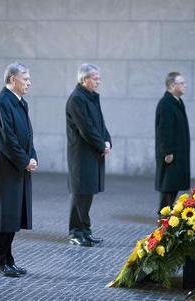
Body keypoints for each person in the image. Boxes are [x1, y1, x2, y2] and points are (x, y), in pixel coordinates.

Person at [0, 62, 38, 278]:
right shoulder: (2, 102)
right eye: (25, 78)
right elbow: (6, 139)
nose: (29, 82)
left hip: (17, 167)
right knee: (4, 217)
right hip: (4, 170)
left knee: (12, 216)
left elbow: (28, 135)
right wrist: (25, 160)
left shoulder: (20, 103)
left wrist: (32, 156)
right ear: (12, 79)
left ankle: (8, 259)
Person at [66, 63, 112, 247]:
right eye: (95, 78)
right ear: (84, 79)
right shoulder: (76, 99)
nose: (98, 82)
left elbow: (100, 124)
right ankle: (76, 232)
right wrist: (101, 145)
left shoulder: (90, 97)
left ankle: (85, 230)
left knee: (88, 193)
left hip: (92, 152)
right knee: (80, 193)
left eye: (99, 78)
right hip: (81, 154)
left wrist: (107, 140)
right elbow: (86, 128)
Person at [155, 72, 190, 215]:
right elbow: (164, 130)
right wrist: (167, 152)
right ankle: (163, 218)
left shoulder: (177, 101)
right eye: (181, 83)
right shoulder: (166, 104)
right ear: (172, 85)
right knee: (168, 186)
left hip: (177, 153)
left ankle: (167, 217)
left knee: (172, 186)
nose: (185, 85)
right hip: (170, 154)